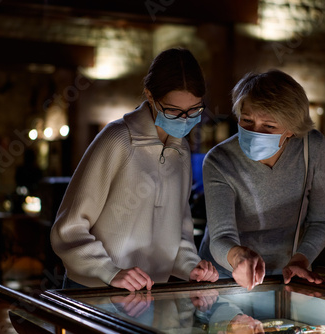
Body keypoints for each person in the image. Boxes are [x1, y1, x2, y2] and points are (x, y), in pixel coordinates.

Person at [51, 48, 219, 291]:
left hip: (151, 293)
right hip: (95, 290)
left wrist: (191, 266)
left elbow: (179, 231)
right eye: (173, 111)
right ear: (150, 96)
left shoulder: (181, 151)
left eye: (194, 111)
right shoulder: (117, 139)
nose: (184, 119)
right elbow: (69, 228)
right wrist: (110, 271)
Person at [198, 70, 325, 290]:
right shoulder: (219, 160)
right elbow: (221, 236)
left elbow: (323, 220)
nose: (255, 132)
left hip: (286, 273)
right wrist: (238, 258)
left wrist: (301, 259)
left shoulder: (312, 147)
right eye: (247, 120)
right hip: (225, 275)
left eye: (269, 126)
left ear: (291, 130)